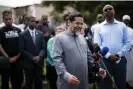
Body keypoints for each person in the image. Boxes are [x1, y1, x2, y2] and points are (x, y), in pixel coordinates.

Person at [52, 11, 106, 89]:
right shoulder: (59, 38)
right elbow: (57, 60)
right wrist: (66, 76)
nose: (80, 26)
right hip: (68, 82)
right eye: (77, 23)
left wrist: (97, 69)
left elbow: (89, 57)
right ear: (69, 22)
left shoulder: (82, 38)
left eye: (81, 24)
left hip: (83, 82)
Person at [94, 4, 131, 89]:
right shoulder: (98, 27)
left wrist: (119, 54)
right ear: (103, 13)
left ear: (114, 11)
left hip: (120, 60)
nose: (108, 11)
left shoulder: (122, 25)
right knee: (105, 86)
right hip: (105, 61)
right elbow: (97, 44)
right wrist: (109, 56)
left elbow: (127, 42)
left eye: (110, 9)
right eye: (105, 10)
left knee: (121, 85)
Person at [19, 16, 46, 89]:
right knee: (29, 83)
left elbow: (43, 48)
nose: (34, 23)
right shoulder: (22, 34)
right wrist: (32, 57)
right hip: (28, 63)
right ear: (27, 22)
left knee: (39, 82)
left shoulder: (40, 33)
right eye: (32, 21)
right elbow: (22, 49)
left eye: (35, 21)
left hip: (39, 63)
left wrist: (39, 56)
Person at [0, 12, 23, 89]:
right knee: (5, 81)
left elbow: (22, 45)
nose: (8, 21)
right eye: (6, 19)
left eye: (10, 19)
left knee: (17, 80)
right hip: (5, 60)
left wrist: (16, 57)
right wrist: (8, 58)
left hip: (18, 59)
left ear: (12, 19)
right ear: (3, 20)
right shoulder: (1, 31)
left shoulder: (18, 30)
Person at [122, 15, 133, 89]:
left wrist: (130, 45)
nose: (126, 21)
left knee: (130, 67)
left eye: (127, 20)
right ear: (122, 21)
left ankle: (129, 83)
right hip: (122, 52)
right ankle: (124, 83)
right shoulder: (120, 30)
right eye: (125, 20)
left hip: (131, 52)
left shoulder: (131, 30)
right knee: (123, 68)